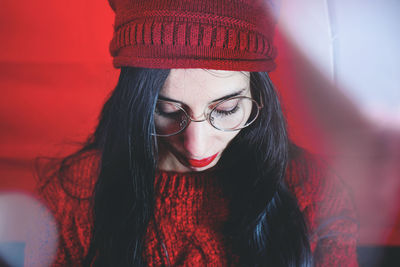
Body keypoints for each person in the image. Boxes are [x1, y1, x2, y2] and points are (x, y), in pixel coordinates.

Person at [36, 0, 359, 266]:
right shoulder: (74, 193)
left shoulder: (314, 189)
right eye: (167, 111)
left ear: (259, 97)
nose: (196, 145)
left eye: (226, 109)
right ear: (135, 106)